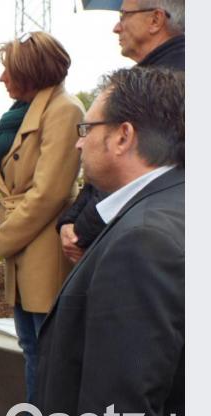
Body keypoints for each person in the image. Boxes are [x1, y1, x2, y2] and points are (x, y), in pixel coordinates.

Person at [32, 67, 184, 416]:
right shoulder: (175, 204)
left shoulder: (142, 240)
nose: (79, 145)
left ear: (122, 136)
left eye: (86, 130)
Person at [0, 31, 84, 416]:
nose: (2, 78)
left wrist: (1, 238)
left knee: (48, 353)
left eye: (10, 69)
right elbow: (7, 182)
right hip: (26, 245)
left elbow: (50, 193)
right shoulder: (23, 112)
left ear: (32, 72)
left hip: (41, 248)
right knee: (31, 346)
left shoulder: (64, 109)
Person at [57, 0, 184, 263]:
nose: (117, 27)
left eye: (124, 15)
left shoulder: (177, 83)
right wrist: (70, 219)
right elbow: (103, 162)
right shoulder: (142, 79)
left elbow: (138, 171)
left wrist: (82, 230)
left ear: (155, 20)